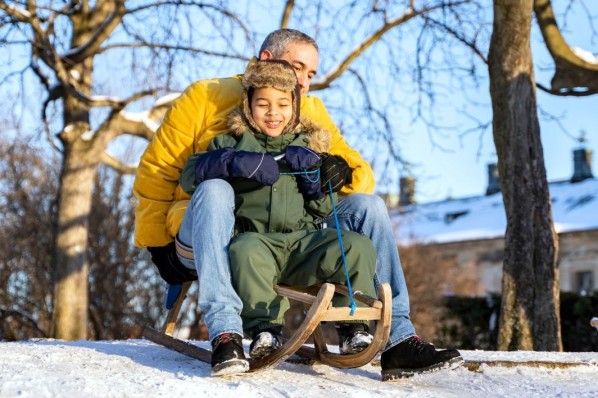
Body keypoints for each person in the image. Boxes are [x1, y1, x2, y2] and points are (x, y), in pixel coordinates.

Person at [133, 29, 463, 381]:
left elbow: (361, 176)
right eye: (297, 68)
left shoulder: (310, 111)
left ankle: (396, 339)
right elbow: (158, 171)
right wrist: (157, 245)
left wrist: (338, 172)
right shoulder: (206, 96)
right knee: (217, 190)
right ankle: (226, 333)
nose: (303, 82)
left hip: (286, 234)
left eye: (310, 75)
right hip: (204, 230)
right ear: (265, 62)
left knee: (369, 206)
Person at [178, 60, 377, 374]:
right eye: (263, 104)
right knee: (244, 252)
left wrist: (316, 185)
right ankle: (265, 329)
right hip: (255, 242)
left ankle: (353, 327)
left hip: (302, 244)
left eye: (283, 104)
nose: (273, 112)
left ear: (295, 107)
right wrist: (232, 162)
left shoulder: (309, 149)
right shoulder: (230, 143)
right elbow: (190, 176)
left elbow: (325, 212)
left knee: (354, 245)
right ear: (248, 106)